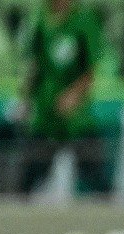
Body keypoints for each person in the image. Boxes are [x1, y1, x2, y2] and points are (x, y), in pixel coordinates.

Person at [19, 0, 109, 195]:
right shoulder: (39, 19)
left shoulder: (84, 20)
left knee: (97, 179)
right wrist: (26, 99)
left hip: (77, 119)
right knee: (28, 179)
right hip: (45, 116)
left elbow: (90, 69)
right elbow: (35, 64)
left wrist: (73, 95)